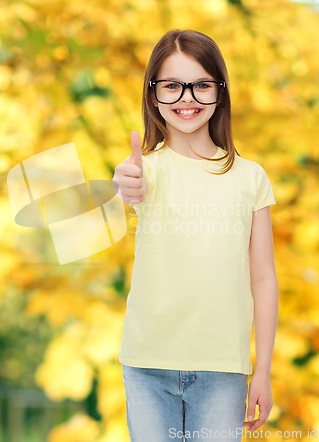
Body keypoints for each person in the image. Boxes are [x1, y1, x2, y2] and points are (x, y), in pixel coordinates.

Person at [112, 30, 278, 442]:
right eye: (172, 86)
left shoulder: (250, 177)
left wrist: (264, 370)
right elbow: (123, 194)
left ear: (220, 93)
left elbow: (264, 278)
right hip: (147, 364)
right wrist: (124, 186)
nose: (187, 98)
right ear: (153, 95)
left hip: (223, 369)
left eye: (201, 85)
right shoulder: (143, 171)